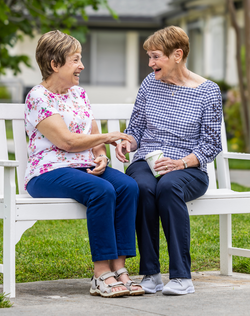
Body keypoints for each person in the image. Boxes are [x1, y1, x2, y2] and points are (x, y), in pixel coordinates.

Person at [24, 30, 143, 298]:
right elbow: (66, 141)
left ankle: (119, 269)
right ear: (55, 64)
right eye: (75, 60)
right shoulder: (38, 97)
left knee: (127, 186)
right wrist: (109, 137)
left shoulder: (79, 94)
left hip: (81, 168)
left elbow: (91, 131)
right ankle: (100, 273)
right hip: (47, 172)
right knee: (101, 191)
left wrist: (100, 154)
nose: (82, 66)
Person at [115, 26, 223, 296]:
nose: (150, 64)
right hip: (147, 161)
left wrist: (181, 163)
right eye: (149, 58)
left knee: (168, 187)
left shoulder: (208, 92)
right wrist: (128, 142)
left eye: (155, 57)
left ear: (177, 55)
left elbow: (211, 144)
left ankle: (182, 277)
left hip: (189, 168)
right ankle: (151, 273)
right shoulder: (150, 83)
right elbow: (136, 128)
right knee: (141, 187)